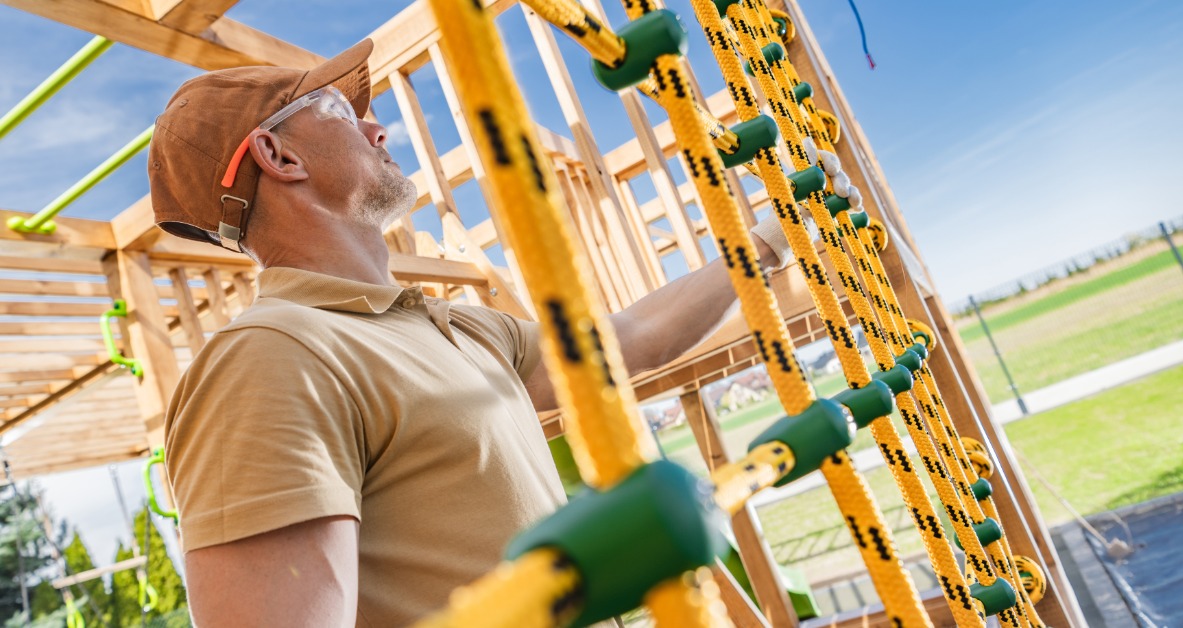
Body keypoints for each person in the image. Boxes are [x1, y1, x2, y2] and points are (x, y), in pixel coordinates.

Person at [149, 38, 795, 626]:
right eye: (340, 113)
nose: (377, 129)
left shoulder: (452, 324)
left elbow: (630, 339)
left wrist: (767, 244)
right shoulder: (271, 357)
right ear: (277, 154)